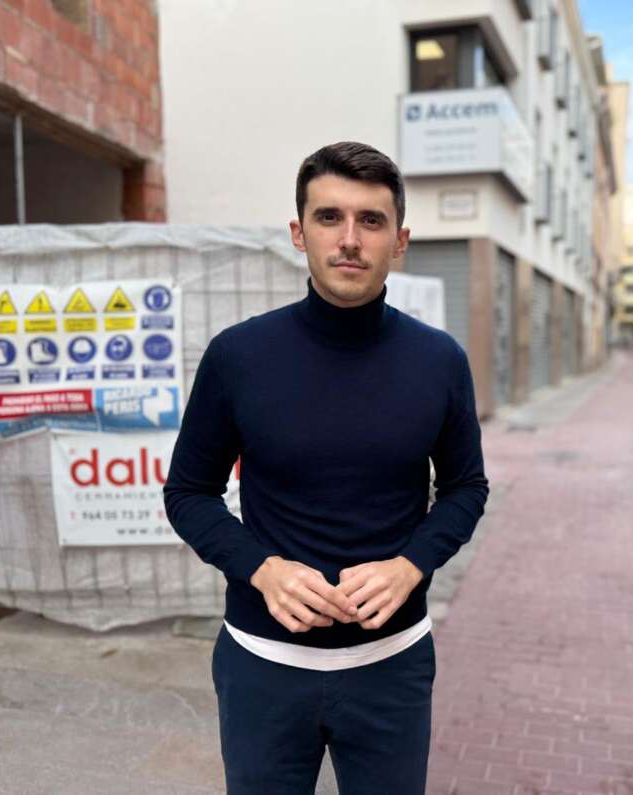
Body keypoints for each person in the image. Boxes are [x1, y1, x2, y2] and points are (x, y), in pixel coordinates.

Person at [164, 141, 489, 794]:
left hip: (392, 666)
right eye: (329, 217)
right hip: (262, 666)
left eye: (371, 220)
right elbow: (189, 492)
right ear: (298, 232)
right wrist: (262, 568)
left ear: (399, 241)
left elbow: (465, 487)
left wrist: (410, 564)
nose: (349, 239)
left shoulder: (439, 361)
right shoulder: (238, 356)